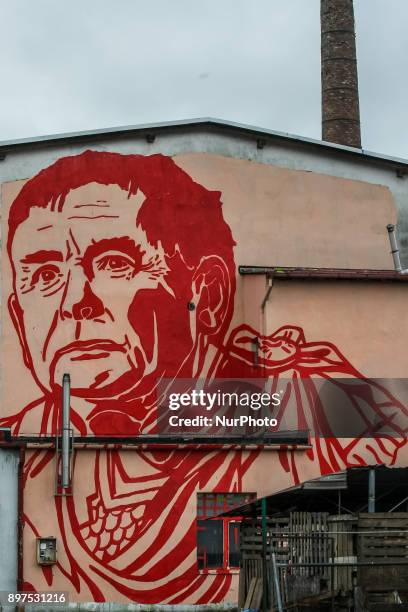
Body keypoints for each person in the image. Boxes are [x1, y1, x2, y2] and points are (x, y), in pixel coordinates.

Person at [1, 150, 406, 601]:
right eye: (44, 274)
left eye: (115, 263)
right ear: (18, 317)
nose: (76, 302)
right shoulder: (22, 448)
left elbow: (383, 424)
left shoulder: (301, 400)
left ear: (207, 295)